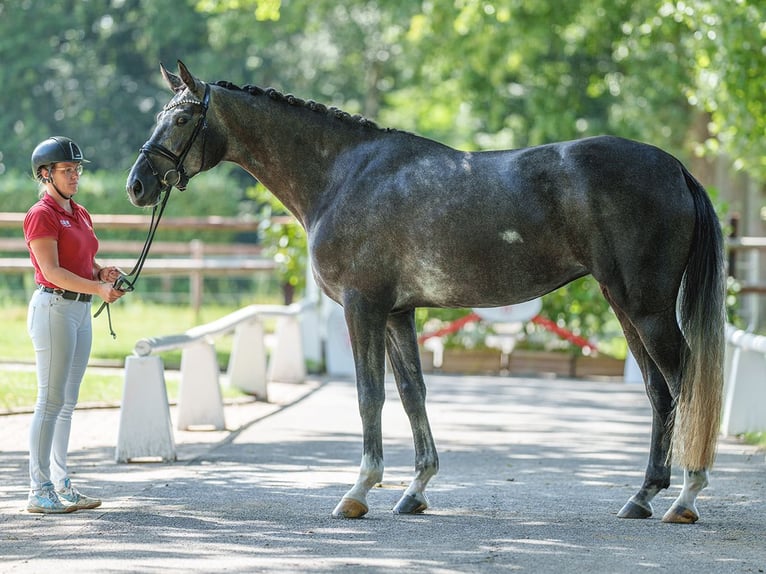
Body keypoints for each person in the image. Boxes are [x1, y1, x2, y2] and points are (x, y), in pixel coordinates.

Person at [24, 136, 127, 513]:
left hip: (81, 310)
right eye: (67, 170)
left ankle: (61, 481)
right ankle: (38, 488)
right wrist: (99, 287)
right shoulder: (41, 214)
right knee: (49, 401)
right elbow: (52, 271)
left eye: (77, 169)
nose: (75, 176)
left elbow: (83, 260)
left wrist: (103, 271)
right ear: (46, 174)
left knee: (67, 402)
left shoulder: (80, 213)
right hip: (54, 308)